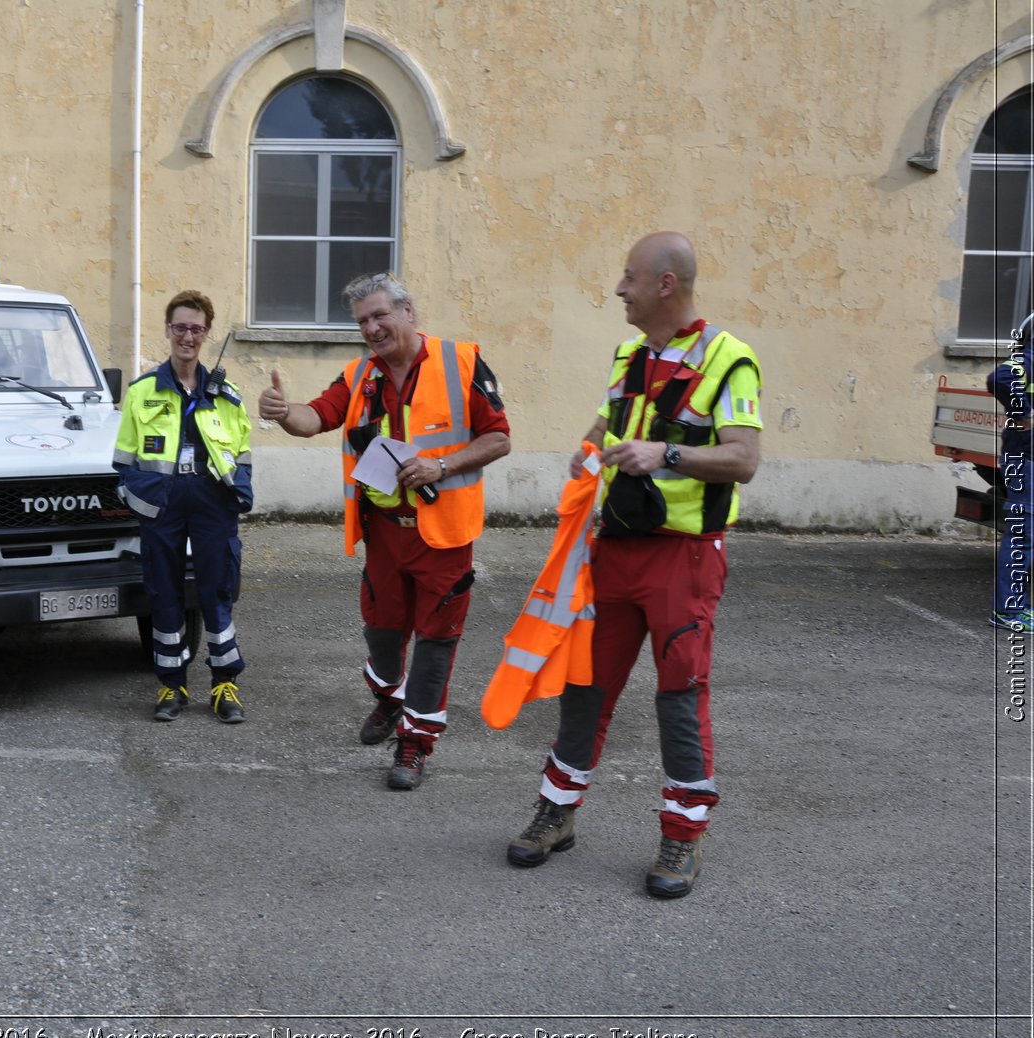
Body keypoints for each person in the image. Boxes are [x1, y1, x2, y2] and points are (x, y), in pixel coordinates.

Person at [504, 231, 762, 900]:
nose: (619, 289)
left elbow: (743, 459)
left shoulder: (730, 359)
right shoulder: (628, 355)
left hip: (683, 557)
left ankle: (683, 833)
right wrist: (588, 449)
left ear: (665, 285)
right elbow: (607, 419)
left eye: (629, 277)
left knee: (679, 694)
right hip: (613, 550)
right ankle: (556, 812)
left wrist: (666, 456)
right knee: (585, 686)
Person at [258, 273, 511, 789]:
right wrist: (285, 413)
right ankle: (389, 701)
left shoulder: (460, 362)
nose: (372, 329)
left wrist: (441, 466)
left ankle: (415, 744)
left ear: (408, 312)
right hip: (384, 536)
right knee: (382, 636)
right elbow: (315, 418)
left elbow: (499, 438)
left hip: (443, 534)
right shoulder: (359, 375)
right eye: (362, 322)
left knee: (436, 643)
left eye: (380, 316)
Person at [114, 290, 254, 723]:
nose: (187, 337)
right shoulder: (141, 393)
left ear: (206, 333)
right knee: (164, 592)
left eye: (195, 328)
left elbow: (243, 452)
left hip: (212, 503)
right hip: (164, 504)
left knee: (216, 590)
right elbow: (123, 463)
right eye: (180, 327)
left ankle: (224, 684)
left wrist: (235, 491)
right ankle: (170, 685)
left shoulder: (226, 395)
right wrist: (145, 500)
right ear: (168, 330)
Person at [989, 313, 1032, 630]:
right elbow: (998, 378)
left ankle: (1017, 606)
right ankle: (1008, 610)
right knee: (1022, 536)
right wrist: (1024, 414)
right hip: (1026, 461)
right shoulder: (1028, 361)